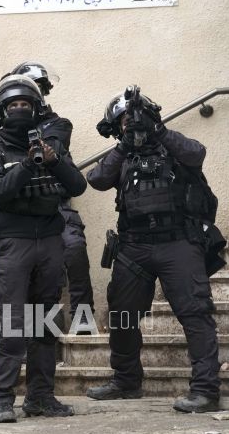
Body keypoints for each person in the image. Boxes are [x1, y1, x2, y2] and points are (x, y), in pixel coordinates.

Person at [86, 90, 223, 413]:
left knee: (195, 314)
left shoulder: (173, 146)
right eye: (123, 121)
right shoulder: (120, 156)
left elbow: (197, 154)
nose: (131, 124)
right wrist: (124, 145)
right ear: (115, 127)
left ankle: (205, 390)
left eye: (136, 118)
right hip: (134, 247)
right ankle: (126, 380)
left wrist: (157, 130)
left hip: (179, 242)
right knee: (121, 316)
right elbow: (97, 179)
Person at [0, 76, 87, 423]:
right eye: (12, 106)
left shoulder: (51, 145)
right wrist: (26, 165)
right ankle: (3, 400)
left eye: (25, 105)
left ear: (37, 110)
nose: (20, 110)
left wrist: (53, 161)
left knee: (45, 323)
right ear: (1, 112)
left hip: (50, 243)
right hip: (14, 244)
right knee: (12, 325)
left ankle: (40, 397)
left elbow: (78, 185)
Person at [11, 61, 95, 332]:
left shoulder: (57, 123)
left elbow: (53, 147)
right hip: (20, 212)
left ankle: (83, 320)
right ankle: (27, 334)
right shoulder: (2, 129)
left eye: (39, 89)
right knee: (22, 273)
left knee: (75, 250)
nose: (34, 95)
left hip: (58, 207)